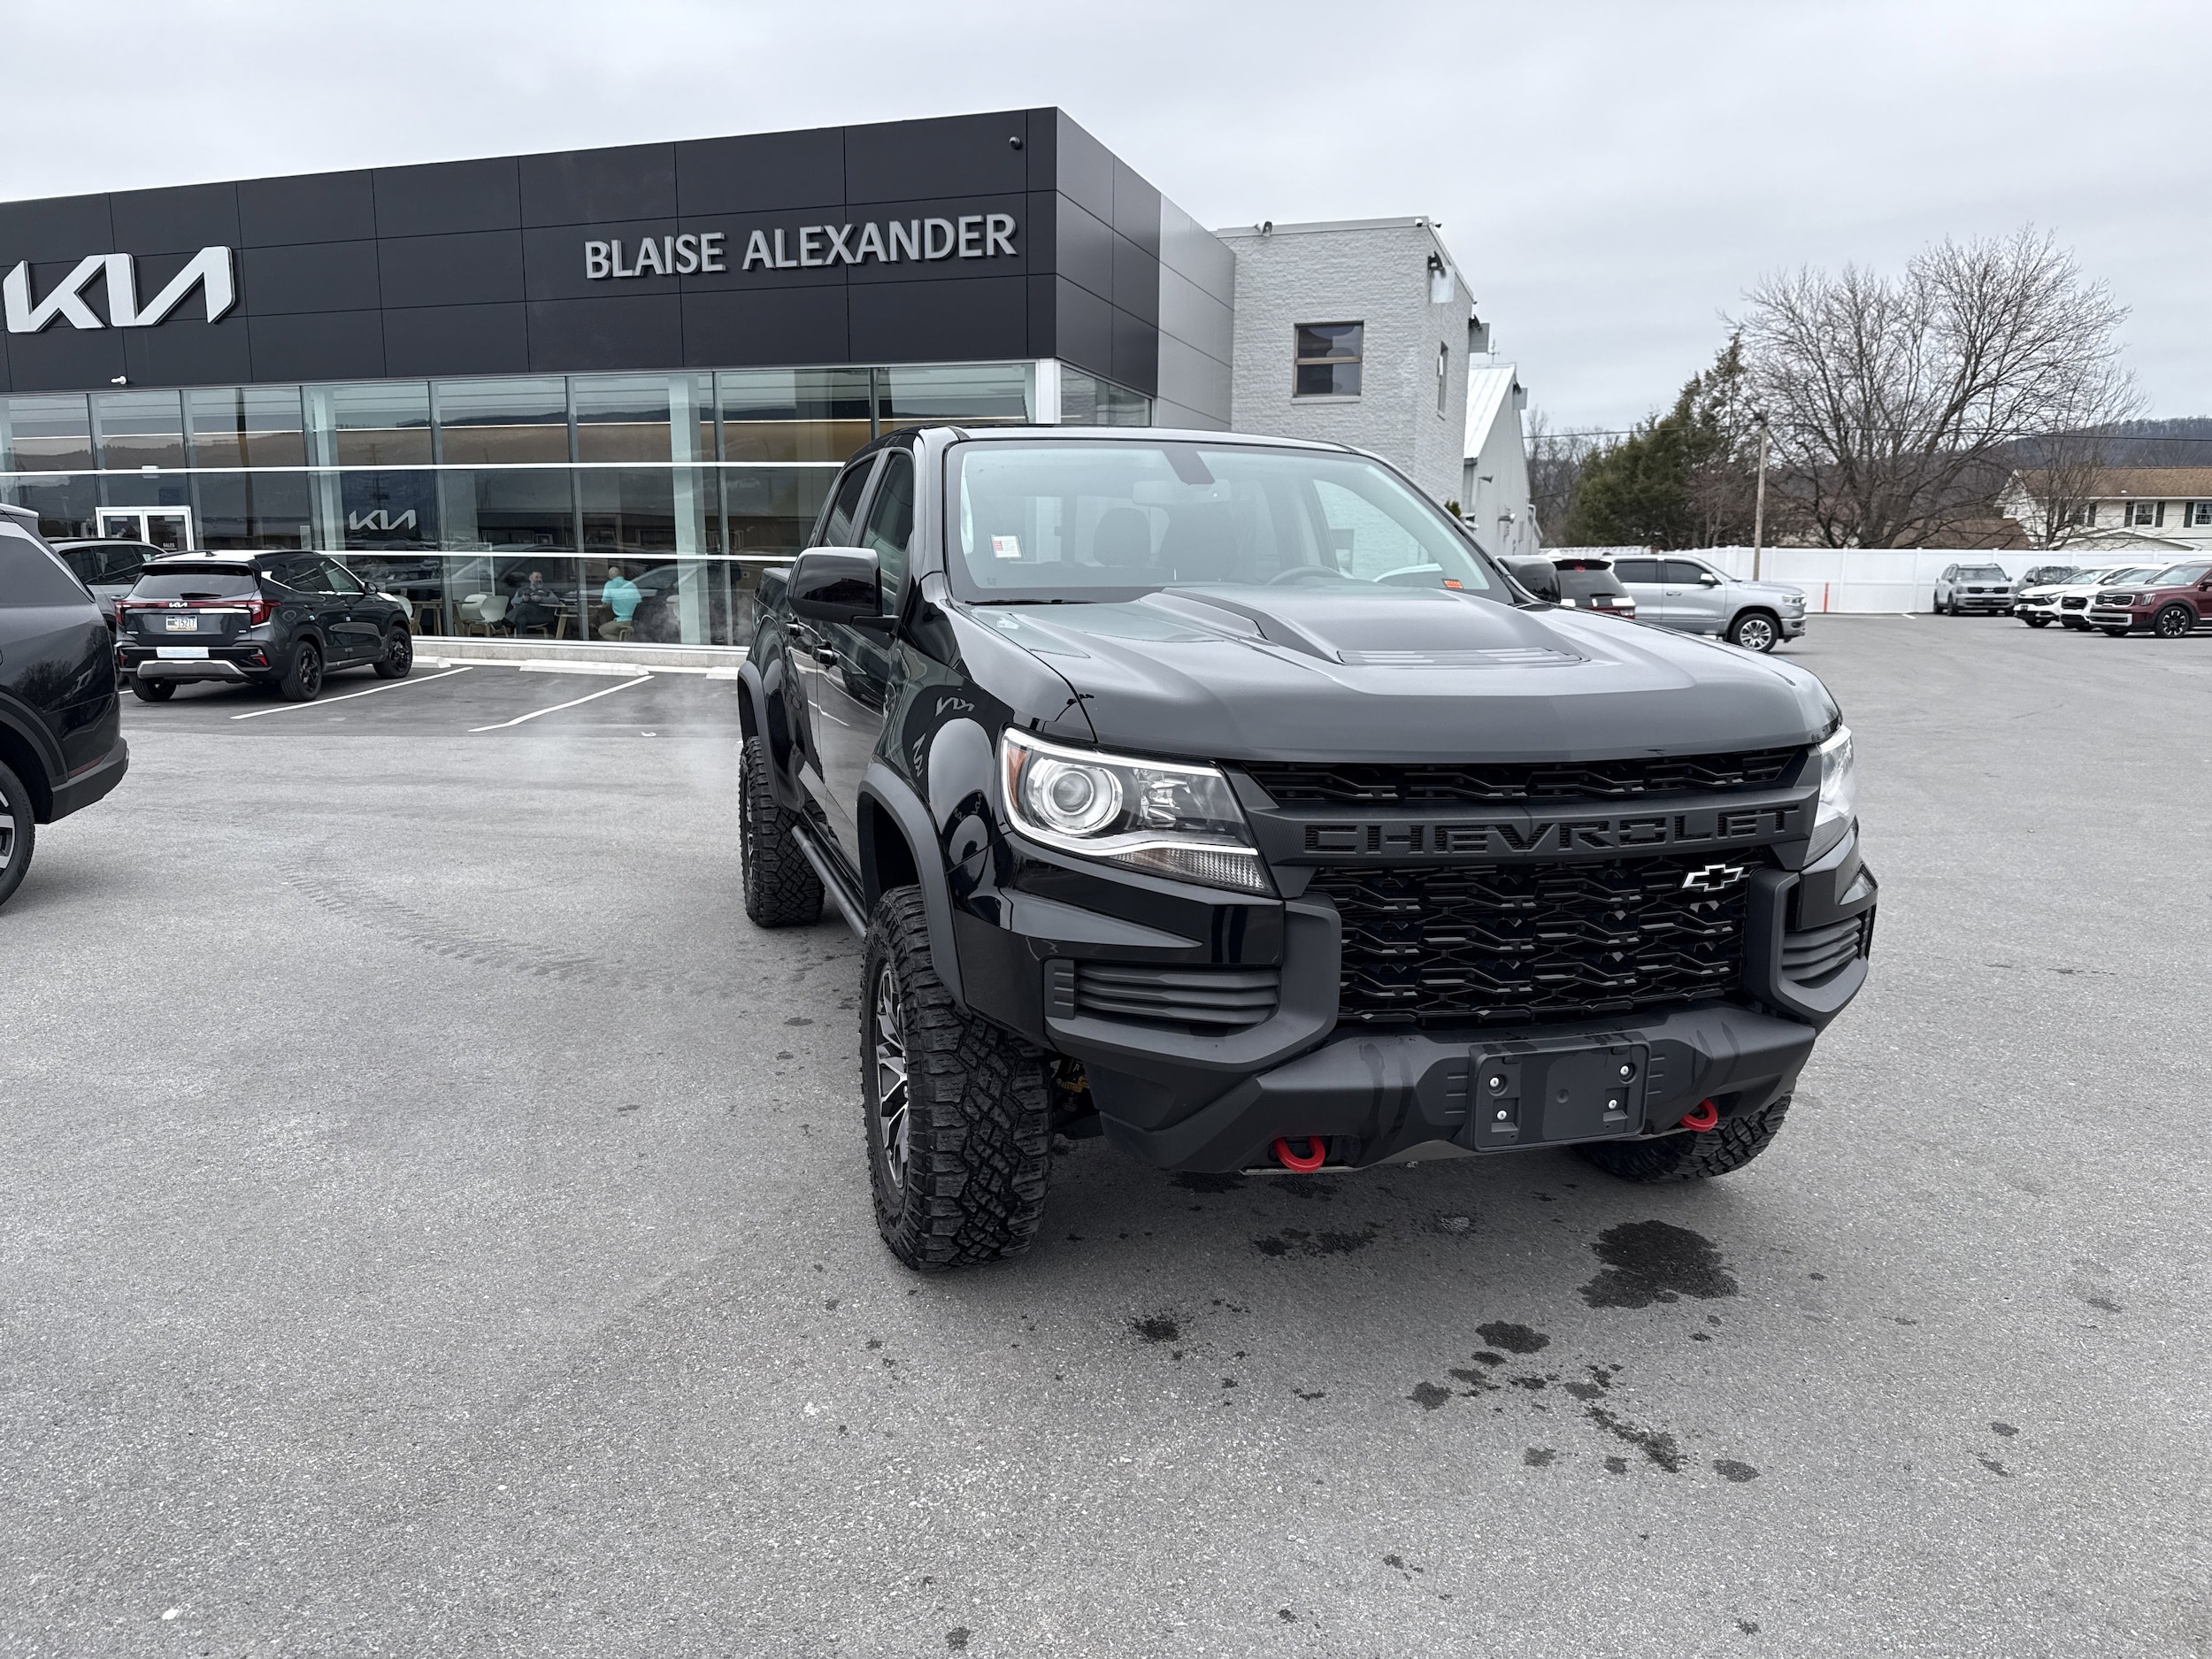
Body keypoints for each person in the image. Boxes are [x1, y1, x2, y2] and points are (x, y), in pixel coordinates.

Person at [508, 569, 556, 635]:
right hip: (527, 617)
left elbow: (556, 600)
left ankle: (506, 621)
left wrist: (541, 599)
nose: (539, 579)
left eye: (541, 578)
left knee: (524, 606)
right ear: (530, 578)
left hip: (541, 616)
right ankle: (522, 643)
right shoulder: (522, 590)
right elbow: (513, 602)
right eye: (537, 577)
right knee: (520, 619)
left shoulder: (546, 591)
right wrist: (522, 599)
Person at [600, 564, 641, 640]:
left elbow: (606, 604)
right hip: (634, 620)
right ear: (621, 574)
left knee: (602, 630)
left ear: (610, 576)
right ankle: (625, 640)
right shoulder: (631, 584)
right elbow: (638, 602)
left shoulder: (609, 585)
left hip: (621, 620)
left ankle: (620, 643)